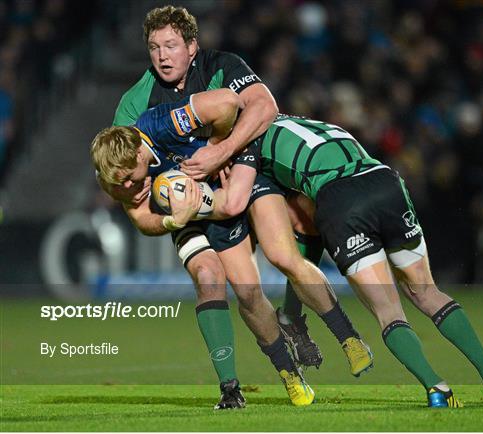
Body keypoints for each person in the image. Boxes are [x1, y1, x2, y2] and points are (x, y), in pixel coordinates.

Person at [201, 113, 483, 408]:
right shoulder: (310, 124)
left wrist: (293, 314)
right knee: (426, 291)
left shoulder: (250, 149)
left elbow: (298, 231)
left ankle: (437, 389)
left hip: (340, 199)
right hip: (385, 180)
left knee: (387, 310)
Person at [92, 90, 375, 407]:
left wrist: (218, 149)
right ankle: (286, 376)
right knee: (243, 289)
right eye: (120, 185)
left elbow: (228, 102)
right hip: (195, 213)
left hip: (234, 177)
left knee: (283, 256)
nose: (129, 189)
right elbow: (143, 219)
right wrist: (174, 220)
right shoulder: (113, 174)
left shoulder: (159, 125)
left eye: (132, 179)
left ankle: (348, 338)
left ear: (141, 154)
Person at [110, 4, 324, 370]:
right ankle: (232, 385)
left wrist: (222, 151)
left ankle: (292, 317)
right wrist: (169, 219)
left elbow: (264, 107)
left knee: (305, 219)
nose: (162, 56)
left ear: (192, 46)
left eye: (171, 45)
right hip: (187, 201)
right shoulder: (133, 105)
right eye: (154, 47)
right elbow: (125, 187)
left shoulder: (221, 66)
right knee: (219, 281)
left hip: (238, 169)